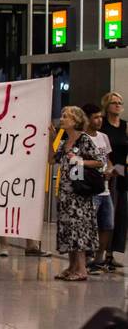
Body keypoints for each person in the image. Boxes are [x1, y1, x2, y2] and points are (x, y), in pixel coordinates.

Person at [52, 105, 106, 282]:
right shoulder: (64, 143)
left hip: (80, 195)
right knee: (68, 229)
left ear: (75, 121)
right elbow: (51, 159)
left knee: (78, 230)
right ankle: (71, 266)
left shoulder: (84, 140)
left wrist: (80, 161)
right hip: (66, 194)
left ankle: (81, 269)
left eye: (66, 116)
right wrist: (50, 138)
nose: (62, 119)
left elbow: (100, 162)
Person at [85, 103, 114, 272]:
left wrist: (110, 169)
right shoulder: (83, 138)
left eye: (100, 117)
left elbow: (107, 158)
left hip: (105, 188)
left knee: (107, 224)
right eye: (96, 117)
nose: (99, 120)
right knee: (90, 223)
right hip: (91, 188)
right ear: (87, 119)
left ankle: (99, 257)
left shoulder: (103, 137)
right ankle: (87, 256)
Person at [101, 91, 127, 268]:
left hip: (123, 172)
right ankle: (100, 252)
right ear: (107, 106)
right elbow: (102, 148)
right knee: (106, 214)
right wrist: (110, 167)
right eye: (114, 102)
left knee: (120, 214)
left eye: (120, 102)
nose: (117, 105)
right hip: (107, 172)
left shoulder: (125, 126)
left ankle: (111, 253)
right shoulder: (102, 125)